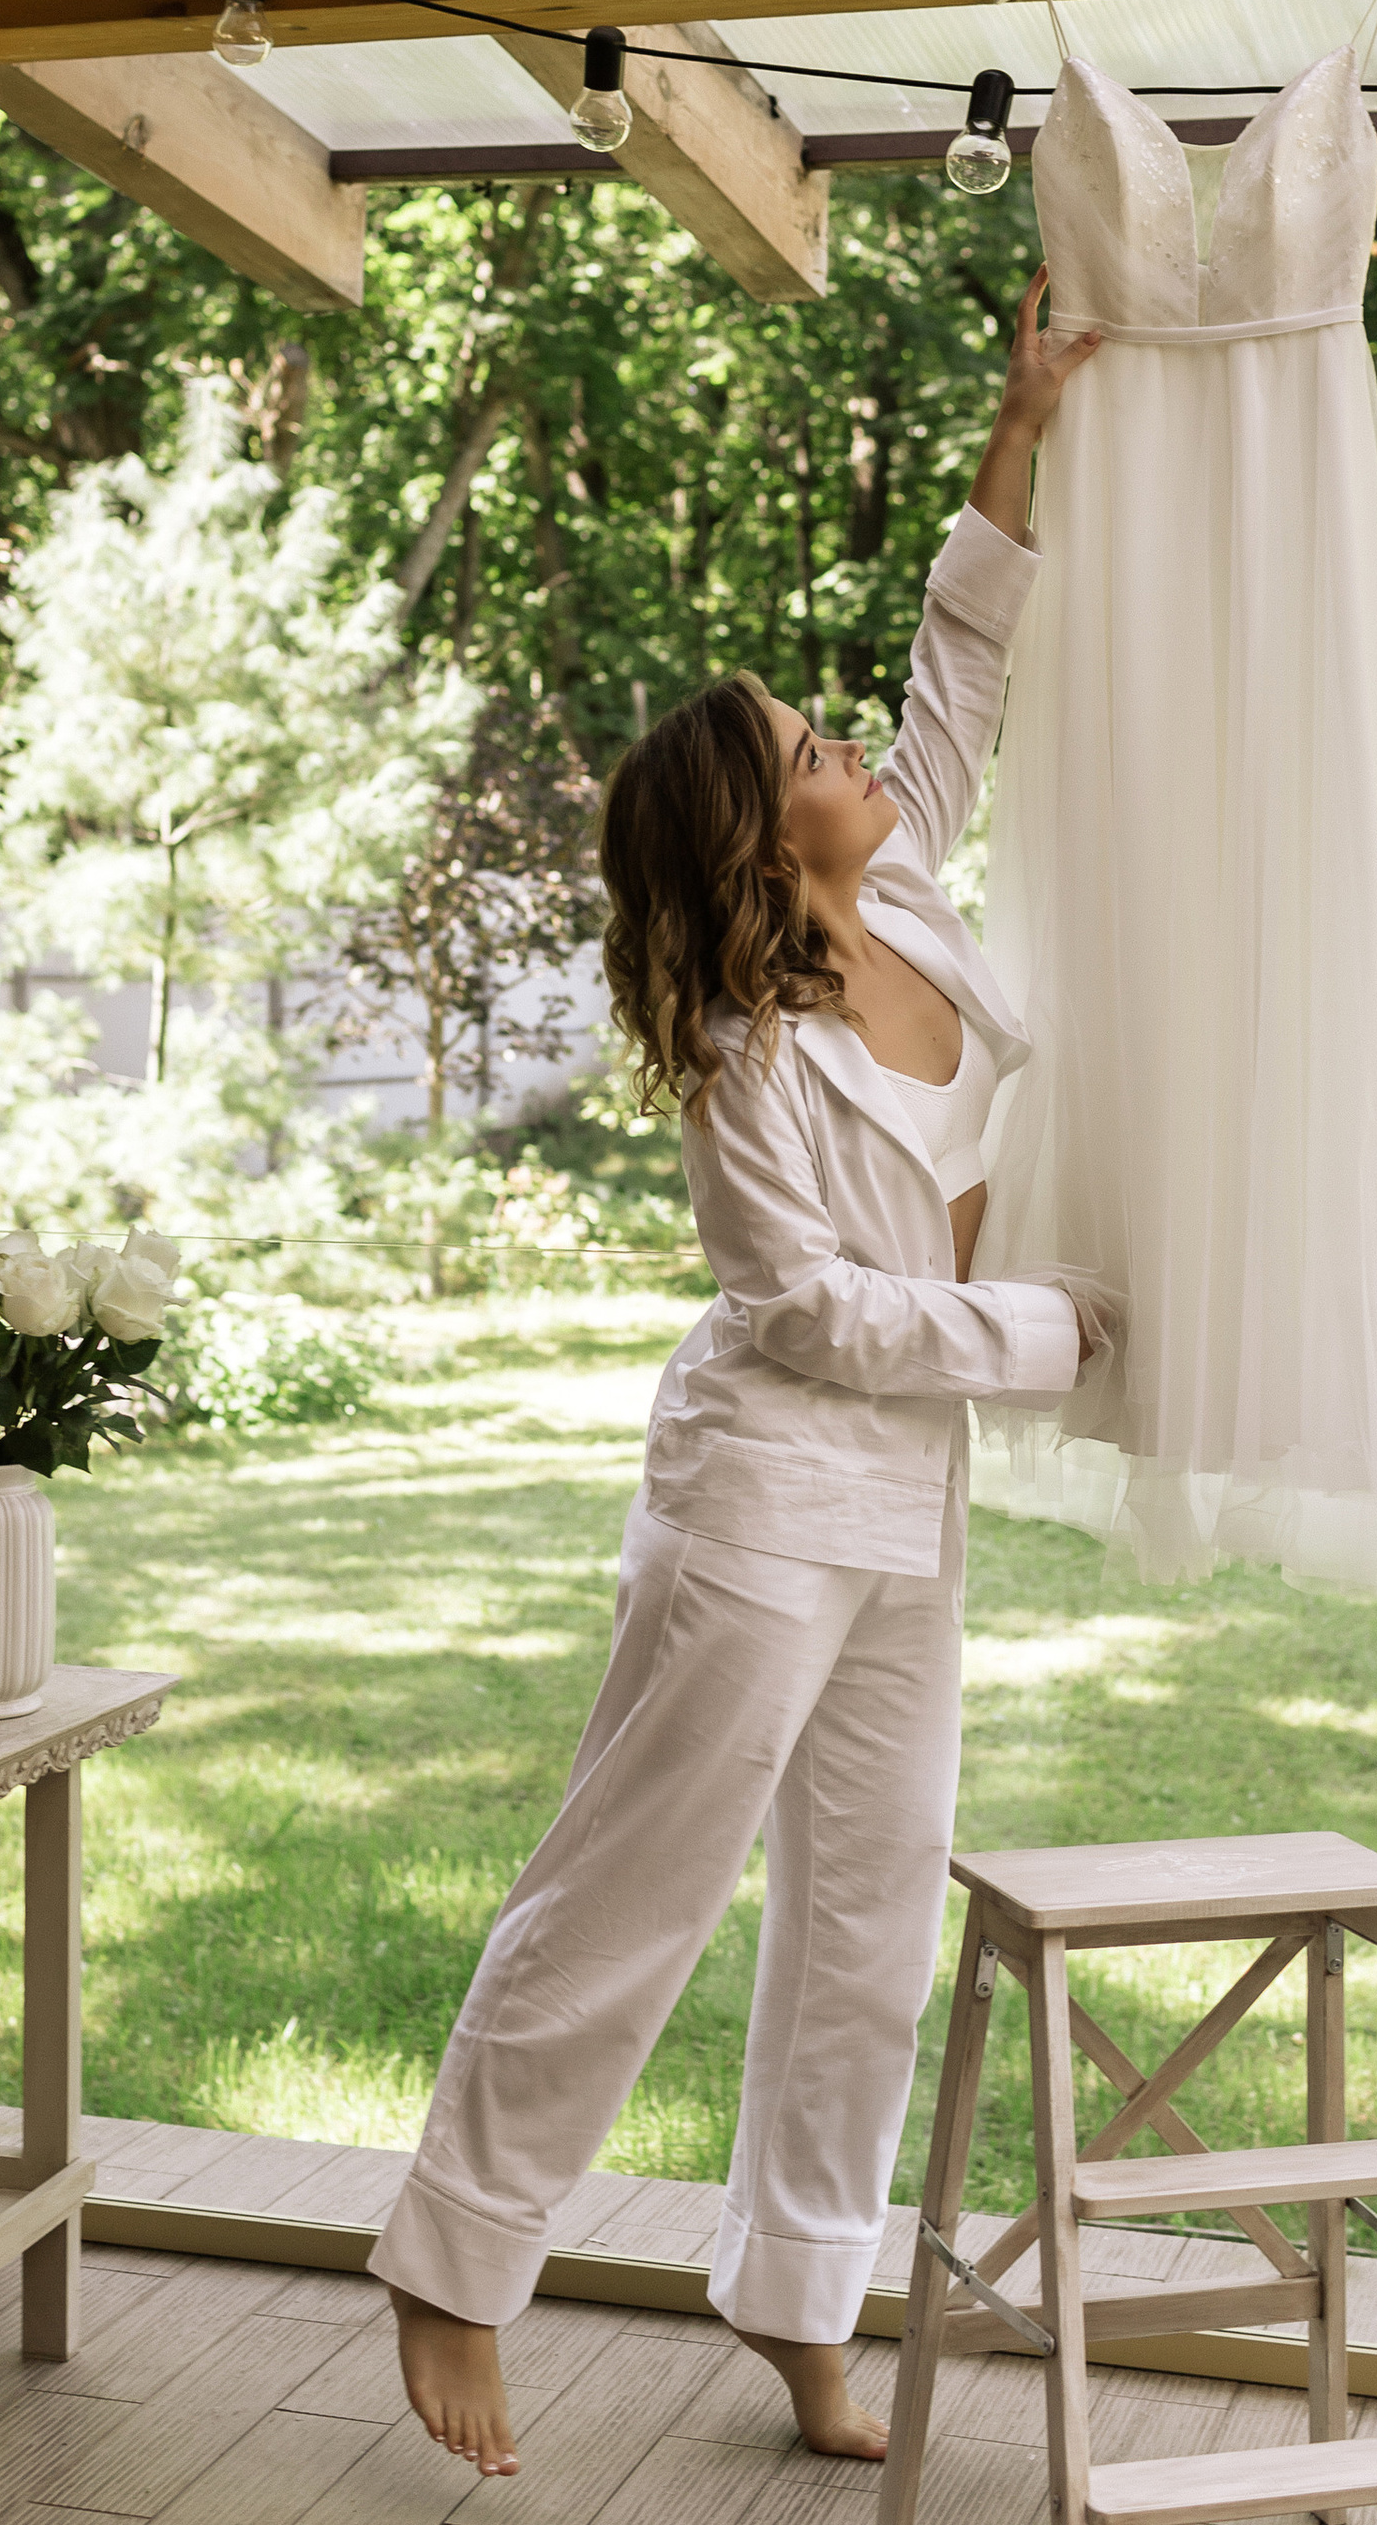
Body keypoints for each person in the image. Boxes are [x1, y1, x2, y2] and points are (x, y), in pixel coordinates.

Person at [367, 268, 1107, 2479]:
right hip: (765, 1496)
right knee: (637, 1881)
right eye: (809, 755)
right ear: (755, 836)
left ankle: (799, 2312)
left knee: (870, 1928)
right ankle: (451, 2249)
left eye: (829, 732)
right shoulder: (737, 1061)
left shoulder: (911, 904)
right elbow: (818, 1320)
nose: (855, 757)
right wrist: (1054, 1331)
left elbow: (957, 663)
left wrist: (1023, 411)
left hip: (909, 1508)